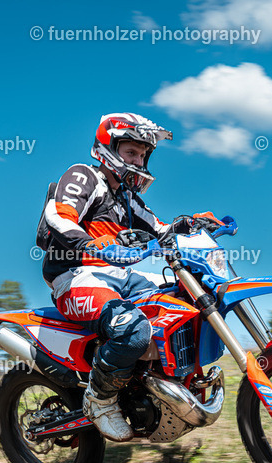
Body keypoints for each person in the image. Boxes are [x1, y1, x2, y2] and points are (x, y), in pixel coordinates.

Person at [38, 112, 221, 441]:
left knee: (182, 298)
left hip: (119, 276)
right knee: (133, 329)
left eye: (143, 154)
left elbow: (161, 230)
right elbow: (59, 215)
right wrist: (93, 245)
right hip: (76, 277)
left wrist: (192, 224)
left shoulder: (127, 198)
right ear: (108, 148)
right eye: (131, 152)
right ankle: (99, 399)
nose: (138, 160)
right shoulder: (84, 176)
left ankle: (159, 385)